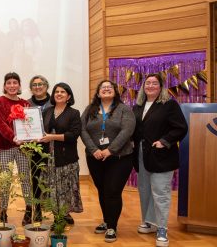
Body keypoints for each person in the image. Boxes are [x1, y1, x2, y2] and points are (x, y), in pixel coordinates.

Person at [132, 73, 187, 247]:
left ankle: (162, 228)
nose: (150, 86)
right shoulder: (138, 106)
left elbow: (180, 128)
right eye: (147, 83)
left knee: (161, 192)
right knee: (144, 189)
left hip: (162, 155)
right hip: (141, 154)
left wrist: (164, 141)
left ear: (161, 86)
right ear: (143, 87)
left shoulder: (169, 105)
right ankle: (148, 221)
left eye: (154, 83)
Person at [81, 80, 136, 243]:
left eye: (109, 87)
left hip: (120, 158)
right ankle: (106, 221)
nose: (106, 89)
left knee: (112, 191)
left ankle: (112, 226)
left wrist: (110, 150)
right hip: (95, 158)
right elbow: (82, 129)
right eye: (102, 88)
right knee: (102, 190)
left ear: (115, 92)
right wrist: (94, 150)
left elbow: (127, 130)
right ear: (98, 93)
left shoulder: (124, 109)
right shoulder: (89, 109)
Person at [0, 72, 32, 226]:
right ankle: (3, 212)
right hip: (5, 147)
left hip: (24, 148)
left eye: (15, 82)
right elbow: (0, 124)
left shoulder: (26, 104)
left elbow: (29, 124)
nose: (12, 85)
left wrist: (28, 138)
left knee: (26, 179)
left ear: (19, 86)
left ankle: (29, 210)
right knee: (4, 180)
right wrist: (14, 137)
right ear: (4, 86)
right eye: (9, 83)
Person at [40, 82, 83, 225]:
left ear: (68, 96)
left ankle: (62, 216)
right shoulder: (46, 111)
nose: (59, 94)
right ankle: (57, 215)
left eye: (63, 92)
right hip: (48, 158)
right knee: (52, 188)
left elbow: (73, 135)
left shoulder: (74, 113)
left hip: (66, 158)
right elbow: (40, 131)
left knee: (65, 188)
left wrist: (52, 137)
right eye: (56, 91)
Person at [27, 75, 52, 221]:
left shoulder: (55, 102)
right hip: (34, 147)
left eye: (40, 84)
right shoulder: (26, 104)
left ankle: (61, 211)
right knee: (35, 179)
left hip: (52, 146)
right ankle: (37, 210)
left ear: (46, 86)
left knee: (55, 179)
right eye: (34, 85)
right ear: (31, 88)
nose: (38, 87)